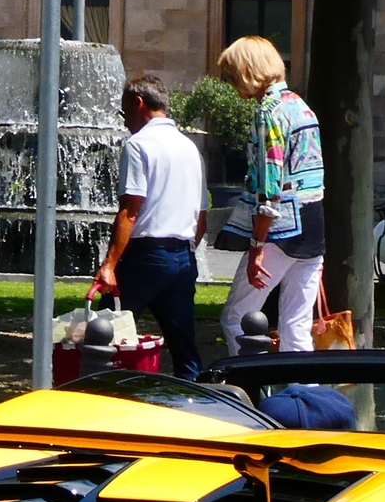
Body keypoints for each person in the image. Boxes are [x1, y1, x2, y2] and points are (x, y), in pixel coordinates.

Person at [213, 35, 327, 354]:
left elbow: (270, 186)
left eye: (233, 75)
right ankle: (304, 398)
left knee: (236, 317)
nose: (233, 84)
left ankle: (253, 389)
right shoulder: (301, 107)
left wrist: (256, 247)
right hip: (313, 225)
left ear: (248, 71)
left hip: (281, 229)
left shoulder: (268, 111)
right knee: (296, 327)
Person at [91, 73, 209, 379]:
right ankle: (195, 407)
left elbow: (130, 211)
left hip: (144, 255)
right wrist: (182, 251)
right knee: (184, 346)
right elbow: (202, 216)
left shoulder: (138, 145)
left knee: (105, 334)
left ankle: (100, 397)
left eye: (124, 111)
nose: (125, 120)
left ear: (138, 103)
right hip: (182, 255)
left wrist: (109, 264)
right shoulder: (190, 149)